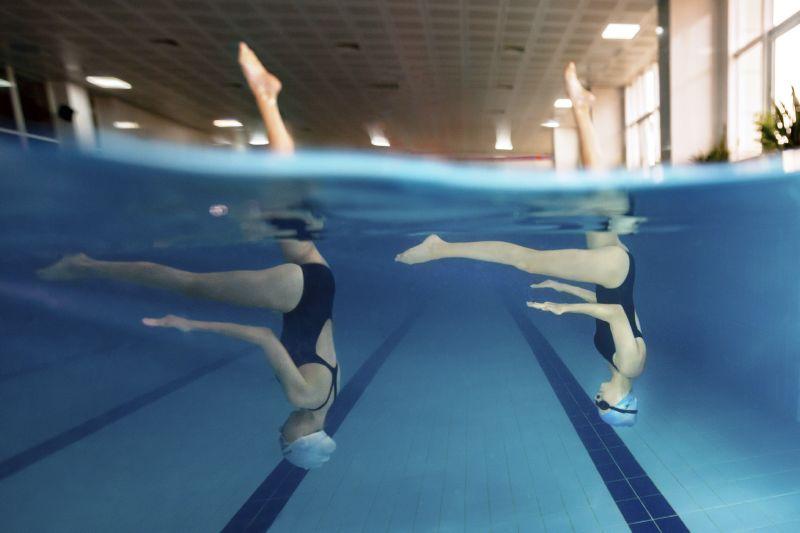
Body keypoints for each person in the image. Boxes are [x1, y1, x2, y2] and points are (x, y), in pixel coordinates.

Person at [37, 43, 339, 468]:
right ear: (303, 438)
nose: (280, 433)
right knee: (190, 284)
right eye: (284, 442)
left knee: (281, 203)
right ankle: (83, 265)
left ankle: (270, 102)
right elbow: (263, 337)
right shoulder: (303, 398)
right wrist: (188, 324)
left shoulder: (329, 398)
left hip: (320, 285)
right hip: (300, 295)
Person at [395, 63, 646, 427]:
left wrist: (563, 287)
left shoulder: (619, 366)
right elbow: (616, 314)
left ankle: (581, 108)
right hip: (613, 270)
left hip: (614, 275)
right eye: (601, 404)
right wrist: (564, 309)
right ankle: (440, 248)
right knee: (528, 261)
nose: (597, 398)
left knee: (596, 201)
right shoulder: (630, 365)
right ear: (618, 403)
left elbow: (617, 307)